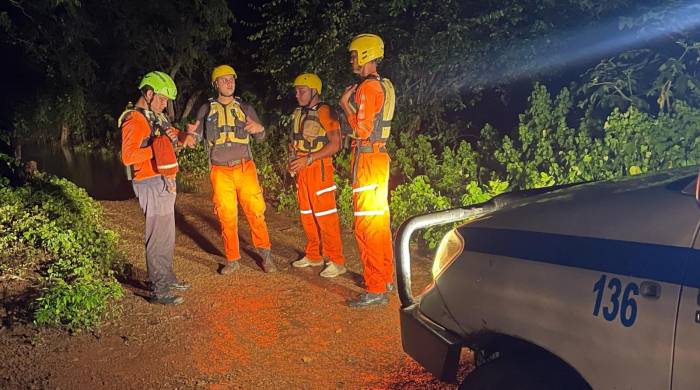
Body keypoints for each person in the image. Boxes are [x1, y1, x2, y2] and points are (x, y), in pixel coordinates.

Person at [187, 65, 277, 274]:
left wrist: (260, 129)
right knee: (226, 215)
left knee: (256, 212)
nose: (229, 83)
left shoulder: (245, 108)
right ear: (216, 84)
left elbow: (261, 137)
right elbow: (196, 136)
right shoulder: (206, 109)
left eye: (232, 79)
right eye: (224, 79)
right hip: (220, 172)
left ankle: (265, 255)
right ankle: (232, 259)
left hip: (245, 168)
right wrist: (191, 136)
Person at [119, 71, 196, 305]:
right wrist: (157, 149)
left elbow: (171, 141)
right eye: (162, 98)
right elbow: (128, 156)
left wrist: (184, 138)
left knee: (166, 234)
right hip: (148, 181)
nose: (165, 104)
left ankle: (167, 277)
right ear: (149, 93)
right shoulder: (135, 119)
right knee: (157, 235)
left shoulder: (158, 118)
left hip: (163, 180)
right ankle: (159, 289)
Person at [338, 34, 396, 307]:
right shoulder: (382, 84)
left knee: (367, 224)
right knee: (379, 222)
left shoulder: (367, 88)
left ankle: (375, 288)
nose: (351, 59)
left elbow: (361, 130)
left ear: (365, 55)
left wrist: (344, 105)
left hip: (368, 161)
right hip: (378, 158)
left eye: (354, 55)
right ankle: (384, 278)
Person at [288, 73, 346, 278]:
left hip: (319, 168)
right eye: (296, 91)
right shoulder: (298, 113)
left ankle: (336, 260)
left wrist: (310, 159)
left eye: (301, 91)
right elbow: (294, 142)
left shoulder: (325, 111)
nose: (297, 94)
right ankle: (313, 255)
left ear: (314, 91)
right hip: (302, 169)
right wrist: (293, 163)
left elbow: (336, 144)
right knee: (307, 215)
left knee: (325, 216)